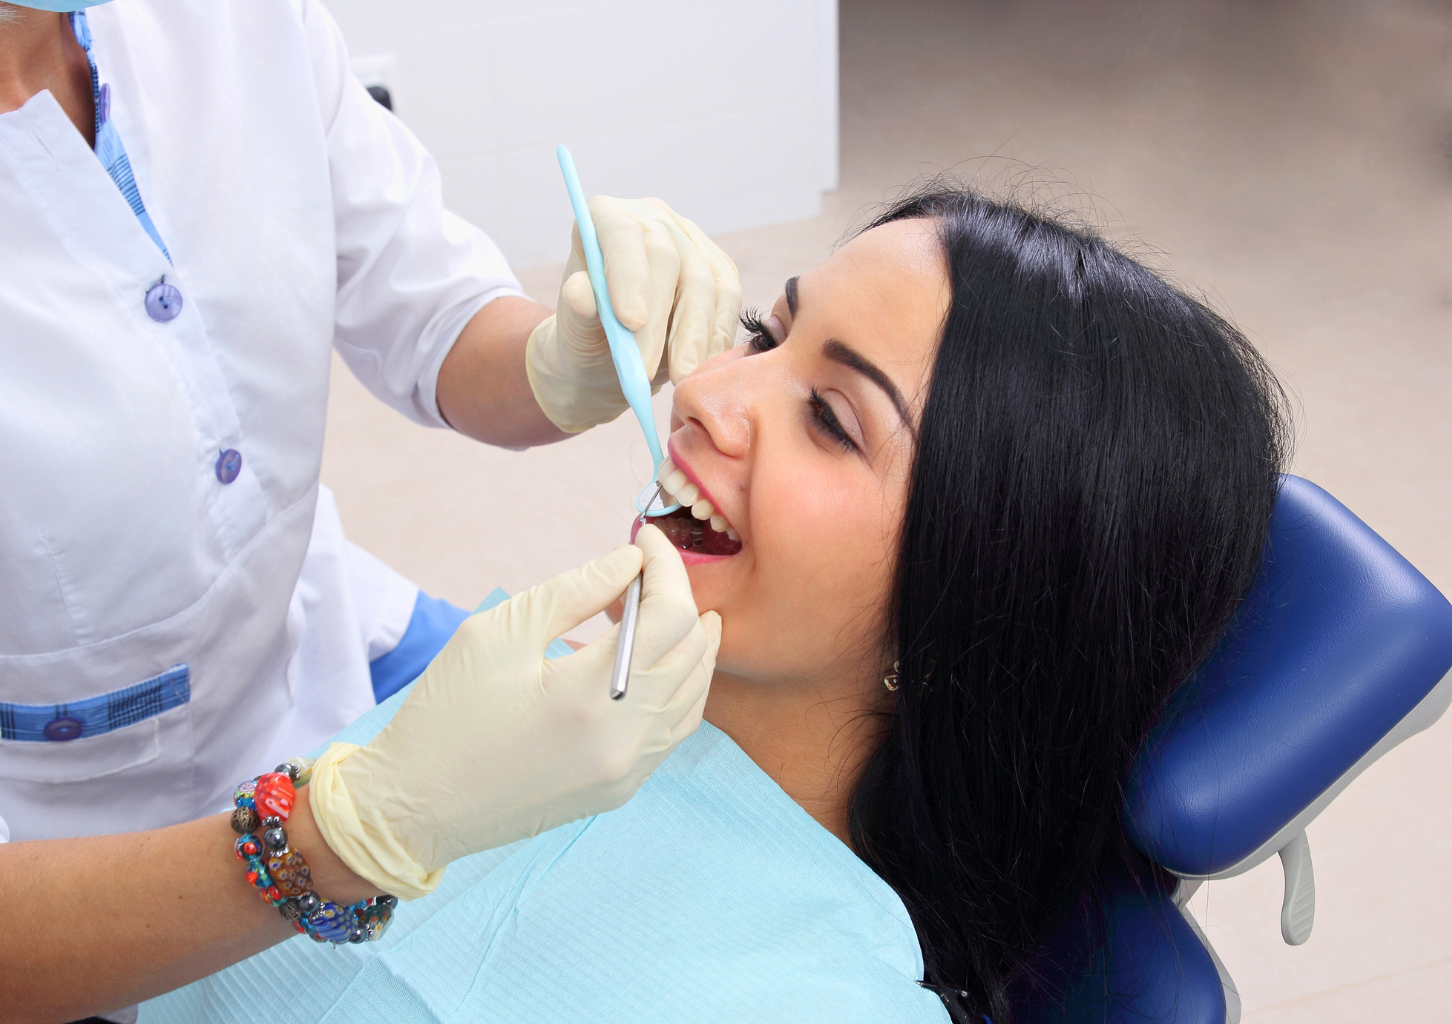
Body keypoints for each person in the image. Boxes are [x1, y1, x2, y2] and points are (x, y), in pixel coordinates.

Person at [144, 183, 1292, 1024]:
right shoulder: (511, 713)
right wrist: (338, 831)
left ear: (972, 604)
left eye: (832, 418)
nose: (702, 388)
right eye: (768, 334)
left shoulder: (824, 995)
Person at [0, 0, 739, 1020]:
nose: (728, 402)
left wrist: (550, 364)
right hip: (40, 854)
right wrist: (347, 834)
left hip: (314, 636)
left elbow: (426, 307)